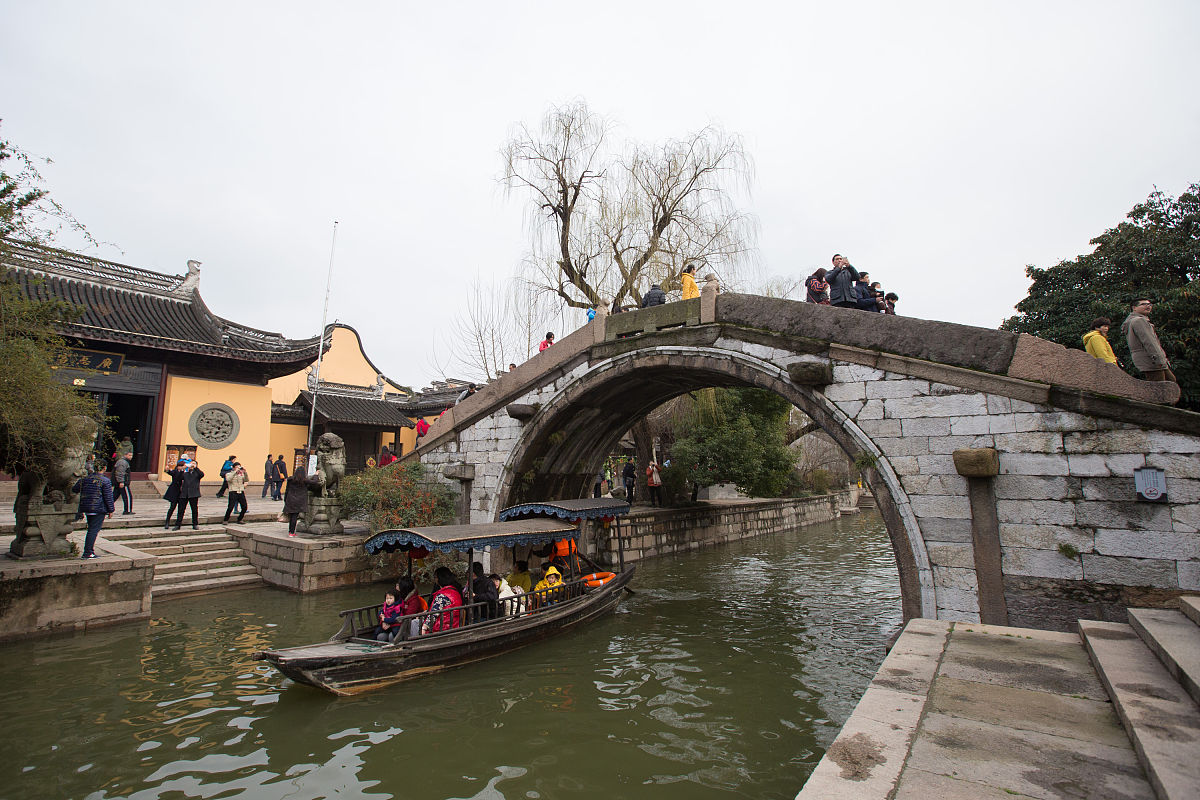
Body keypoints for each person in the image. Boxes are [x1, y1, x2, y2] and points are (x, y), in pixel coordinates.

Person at [1122, 299, 1176, 383]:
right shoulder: (1139, 321)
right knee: (1161, 387)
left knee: (1170, 381)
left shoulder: (1133, 320)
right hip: (1151, 359)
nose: (1148, 306)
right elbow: (1149, 342)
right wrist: (1159, 359)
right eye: (1143, 304)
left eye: (1150, 304)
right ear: (1134, 308)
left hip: (1148, 358)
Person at [73, 461, 114, 559]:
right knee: (93, 530)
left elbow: (75, 489)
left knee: (91, 529)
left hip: (86, 507)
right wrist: (111, 510)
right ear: (104, 468)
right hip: (98, 508)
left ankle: (88, 551)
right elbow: (108, 497)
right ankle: (88, 552)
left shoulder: (85, 479)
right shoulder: (105, 481)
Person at [423, 566, 464, 634]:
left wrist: (424, 627)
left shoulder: (442, 596)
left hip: (442, 627)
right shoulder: (455, 592)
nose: (435, 579)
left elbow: (433, 615)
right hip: (454, 624)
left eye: (435, 577)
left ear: (440, 578)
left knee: (414, 623)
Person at [172, 458, 204, 530]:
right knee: (181, 510)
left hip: (194, 494)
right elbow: (178, 478)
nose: (191, 465)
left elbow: (202, 474)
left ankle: (195, 524)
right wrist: (183, 469)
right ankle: (178, 524)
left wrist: (196, 467)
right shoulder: (185, 473)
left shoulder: (197, 474)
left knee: (194, 510)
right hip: (184, 493)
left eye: (193, 464)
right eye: (191, 464)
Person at [282, 470, 317, 536]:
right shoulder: (304, 480)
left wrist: (285, 500)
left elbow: (287, 490)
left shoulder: (290, 479)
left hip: (290, 500)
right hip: (298, 501)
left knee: (292, 515)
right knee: (294, 516)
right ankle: (291, 532)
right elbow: (314, 482)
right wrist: (316, 475)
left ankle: (291, 531)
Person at [163, 460, 185, 529]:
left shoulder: (185, 473)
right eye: (180, 466)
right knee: (172, 507)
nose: (182, 467)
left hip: (182, 493)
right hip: (174, 492)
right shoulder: (175, 472)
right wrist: (166, 470)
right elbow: (175, 475)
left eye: (182, 466)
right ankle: (167, 521)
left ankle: (178, 523)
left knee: (181, 509)